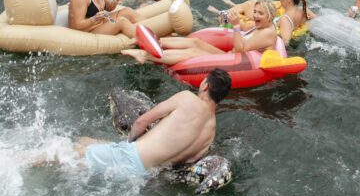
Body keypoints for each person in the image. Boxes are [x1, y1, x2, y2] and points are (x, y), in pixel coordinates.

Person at [44, 69, 231, 180]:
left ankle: (20, 161)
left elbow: (143, 120)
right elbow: (185, 162)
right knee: (87, 142)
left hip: (130, 156)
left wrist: (130, 141)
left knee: (63, 154)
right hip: (145, 175)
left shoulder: (187, 99)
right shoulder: (211, 132)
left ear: (205, 86)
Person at [123, 0, 279, 65]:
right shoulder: (260, 26)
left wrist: (236, 26)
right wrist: (228, 20)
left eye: (260, 14)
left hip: (236, 60)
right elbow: (244, 31)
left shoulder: (268, 33)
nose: (255, 16)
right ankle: (155, 41)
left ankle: (146, 56)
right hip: (232, 54)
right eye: (255, 12)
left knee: (193, 52)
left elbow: (240, 51)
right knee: (196, 42)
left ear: (270, 16)